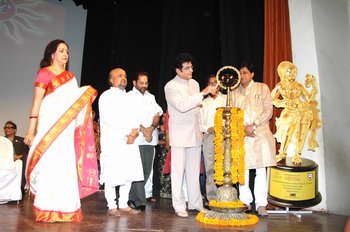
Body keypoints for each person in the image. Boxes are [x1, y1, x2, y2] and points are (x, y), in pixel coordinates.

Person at [23, 39, 99, 222]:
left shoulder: (71, 78)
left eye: (67, 51)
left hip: (66, 131)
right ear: (52, 54)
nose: (66, 54)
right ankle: (46, 208)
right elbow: (37, 104)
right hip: (50, 127)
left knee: (64, 165)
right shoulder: (44, 73)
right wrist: (31, 131)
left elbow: (74, 104)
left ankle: (66, 209)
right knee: (48, 164)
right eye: (61, 50)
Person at [164, 53, 216, 217]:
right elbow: (182, 106)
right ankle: (179, 205)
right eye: (187, 68)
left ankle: (195, 203)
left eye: (191, 67)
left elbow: (197, 110)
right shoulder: (170, 86)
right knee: (178, 172)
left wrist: (200, 129)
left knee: (194, 172)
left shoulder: (194, 83)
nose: (191, 70)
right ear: (178, 71)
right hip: (179, 134)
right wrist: (203, 93)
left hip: (194, 134)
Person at [230, 62, 276, 216]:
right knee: (243, 169)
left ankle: (261, 204)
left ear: (252, 74)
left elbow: (268, 110)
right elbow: (231, 113)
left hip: (260, 134)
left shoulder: (262, 88)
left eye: (245, 73)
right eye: (240, 73)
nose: (242, 76)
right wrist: (243, 128)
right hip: (242, 134)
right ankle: (245, 202)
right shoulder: (234, 92)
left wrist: (254, 125)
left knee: (261, 169)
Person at [99, 68, 144, 216]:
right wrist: (128, 132)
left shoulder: (131, 97)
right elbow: (110, 119)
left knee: (128, 173)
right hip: (114, 142)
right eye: (119, 76)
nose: (123, 77)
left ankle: (123, 203)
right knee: (112, 174)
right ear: (111, 80)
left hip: (130, 140)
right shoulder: (106, 96)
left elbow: (137, 117)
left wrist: (134, 132)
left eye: (125, 75)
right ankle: (112, 205)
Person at [271, 61, 321, 164]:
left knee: (301, 134)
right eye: (291, 71)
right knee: (287, 132)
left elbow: (308, 98)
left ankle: (297, 154)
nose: (294, 73)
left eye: (295, 71)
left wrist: (314, 87)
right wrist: (284, 103)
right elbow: (272, 99)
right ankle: (282, 153)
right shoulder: (280, 86)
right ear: (284, 72)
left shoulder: (299, 85)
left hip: (303, 112)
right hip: (290, 113)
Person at [127, 71, 163, 210]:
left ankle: (131, 197)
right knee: (136, 170)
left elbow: (157, 114)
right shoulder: (129, 97)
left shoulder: (151, 97)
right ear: (134, 83)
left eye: (146, 83)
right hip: (136, 139)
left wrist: (152, 127)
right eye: (141, 83)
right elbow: (130, 116)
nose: (144, 85)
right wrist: (144, 130)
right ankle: (139, 200)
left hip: (149, 139)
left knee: (146, 171)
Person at [199, 75, 226, 202]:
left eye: (215, 83)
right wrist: (207, 129)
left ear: (219, 84)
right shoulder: (203, 103)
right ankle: (212, 197)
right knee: (210, 168)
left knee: (225, 166)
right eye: (210, 83)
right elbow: (199, 122)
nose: (213, 85)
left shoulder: (226, 99)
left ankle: (225, 195)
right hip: (209, 136)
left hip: (225, 136)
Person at [3, 121, 29, 196]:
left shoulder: (21, 140)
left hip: (20, 159)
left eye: (9, 127)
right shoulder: (2, 140)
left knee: (24, 160)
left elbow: (27, 150)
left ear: (15, 130)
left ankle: (21, 187)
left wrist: (20, 156)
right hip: (6, 160)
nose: (6, 129)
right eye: (5, 128)